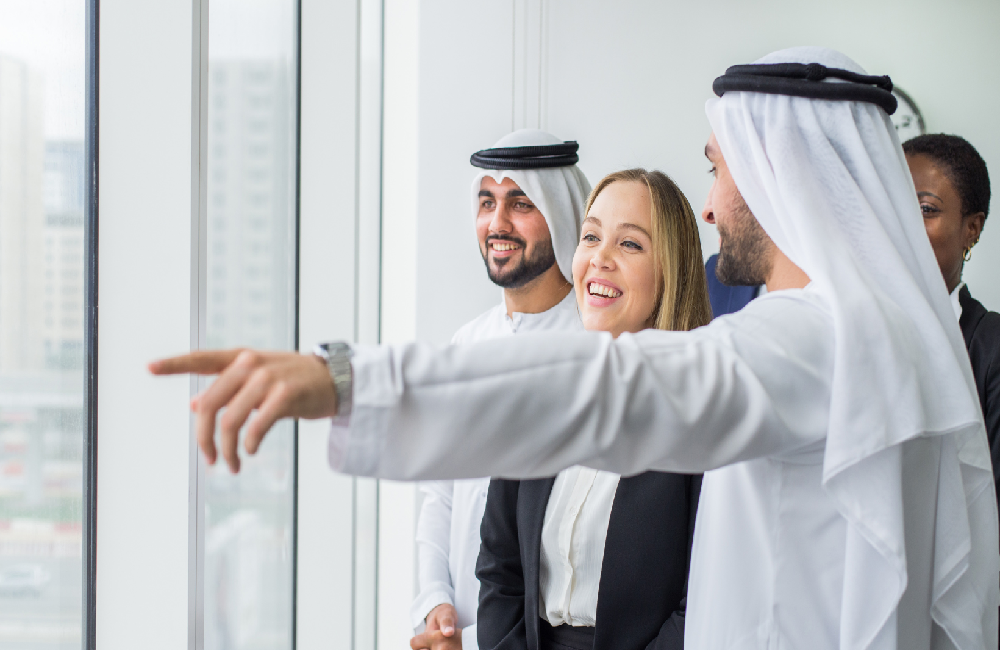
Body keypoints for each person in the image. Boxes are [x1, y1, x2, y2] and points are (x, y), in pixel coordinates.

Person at [151, 47, 999, 649]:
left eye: (720, 170)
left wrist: (346, 378)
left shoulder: (824, 336)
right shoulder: (894, 331)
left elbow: (616, 390)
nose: (710, 206)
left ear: (785, 175)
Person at [476, 169, 709, 650]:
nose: (600, 258)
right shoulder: (539, 394)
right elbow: (499, 567)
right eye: (591, 236)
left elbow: (704, 600)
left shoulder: (703, 416)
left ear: (671, 271)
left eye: (630, 244)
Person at [410, 130, 591, 650]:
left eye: (521, 203)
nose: (497, 223)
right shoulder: (466, 343)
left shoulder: (593, 351)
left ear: (561, 214)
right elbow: (439, 494)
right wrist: (434, 603)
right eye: (487, 202)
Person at [903, 134, 1000, 504]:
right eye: (894, 204)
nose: (904, 224)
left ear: (971, 229)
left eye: (926, 209)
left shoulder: (991, 348)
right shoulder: (853, 328)